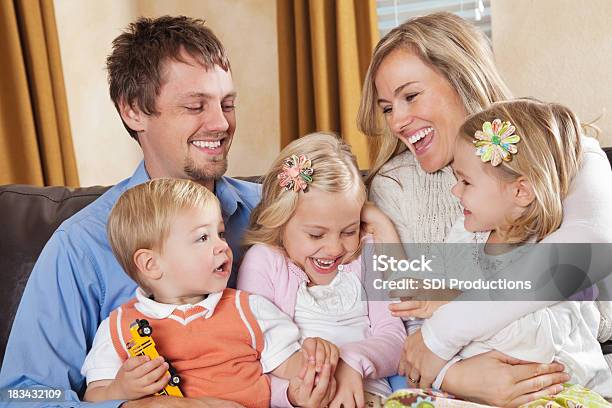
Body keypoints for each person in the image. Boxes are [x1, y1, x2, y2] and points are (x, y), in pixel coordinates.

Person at [0, 16, 322, 408]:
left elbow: (401, 300)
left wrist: (377, 223)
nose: (221, 123)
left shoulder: (278, 205)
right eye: (194, 105)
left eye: (228, 103)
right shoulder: (81, 245)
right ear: (134, 110)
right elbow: (21, 393)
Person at [357, 11, 612, 407]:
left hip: (563, 377)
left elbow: (585, 256)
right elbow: (406, 318)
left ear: (462, 78)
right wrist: (455, 376)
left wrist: (450, 322)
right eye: (387, 107)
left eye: (410, 96)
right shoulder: (393, 186)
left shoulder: (555, 150)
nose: (398, 121)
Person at [400, 99, 612, 403]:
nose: (455, 191)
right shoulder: (464, 235)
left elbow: (538, 343)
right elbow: (424, 335)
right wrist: (448, 371)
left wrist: (453, 303)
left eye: (466, 182)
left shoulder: (552, 254)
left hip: (559, 390)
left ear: (520, 191)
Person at [82, 178, 339, 407]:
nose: (222, 247)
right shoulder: (117, 327)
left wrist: (315, 362)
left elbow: (290, 367)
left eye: (220, 234)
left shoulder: (249, 309)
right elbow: (94, 395)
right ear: (152, 265)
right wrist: (120, 389)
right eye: (203, 238)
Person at [237, 133, 406, 408]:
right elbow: (254, 356)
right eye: (316, 235)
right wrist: (291, 396)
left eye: (349, 231)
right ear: (279, 223)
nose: (334, 248)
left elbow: (395, 337)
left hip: (370, 397)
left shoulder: (365, 254)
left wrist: (351, 362)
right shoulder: (264, 263)